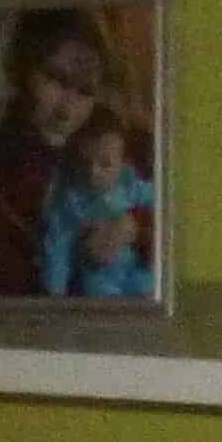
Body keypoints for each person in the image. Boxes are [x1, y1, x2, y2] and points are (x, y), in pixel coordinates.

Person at [0, 9, 110, 298]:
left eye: (85, 92)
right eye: (55, 79)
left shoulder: (98, 149)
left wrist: (130, 225)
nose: (67, 110)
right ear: (22, 69)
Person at [38, 105, 155, 298]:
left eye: (105, 163)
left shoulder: (128, 183)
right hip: (98, 275)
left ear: (122, 162)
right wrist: (54, 291)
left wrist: (140, 225)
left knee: (148, 286)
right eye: (85, 162)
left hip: (135, 265)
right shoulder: (69, 200)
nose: (93, 171)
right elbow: (57, 247)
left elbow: (159, 201)